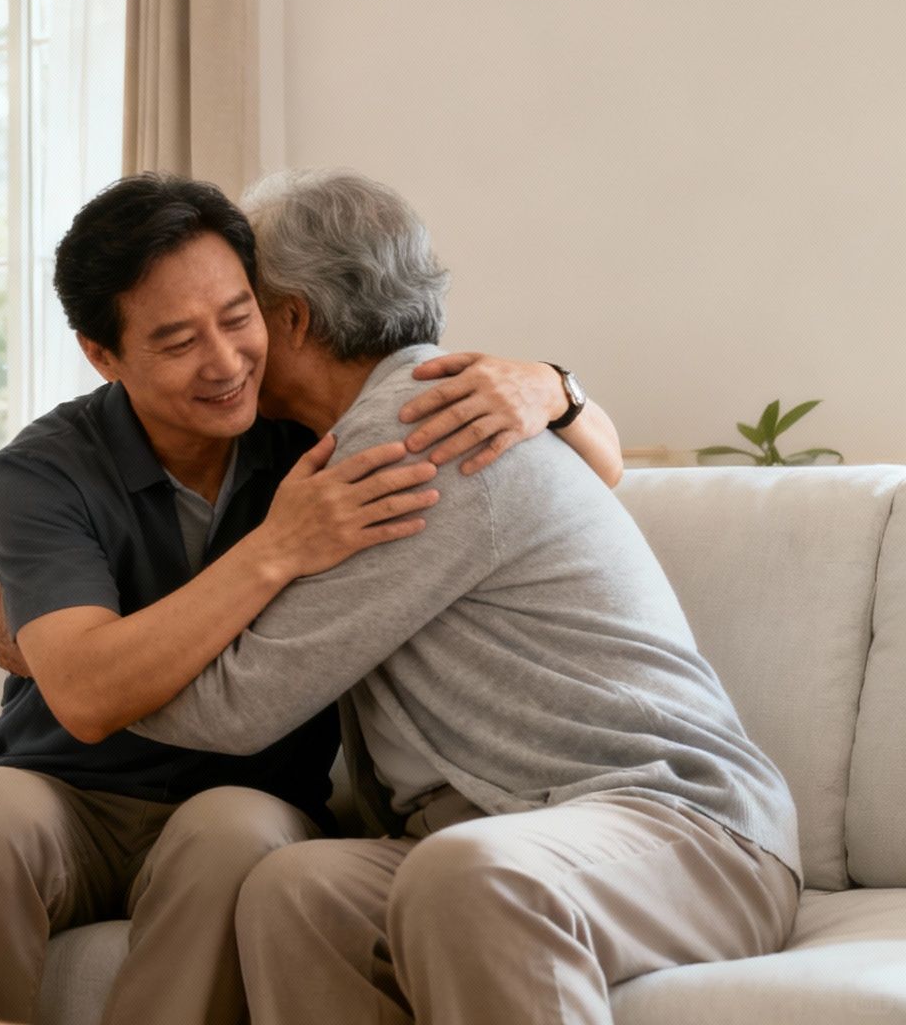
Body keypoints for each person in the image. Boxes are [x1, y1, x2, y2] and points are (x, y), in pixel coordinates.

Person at [0, 173, 623, 1025]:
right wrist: (277, 548)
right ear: (102, 354)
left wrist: (554, 386)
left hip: (248, 795)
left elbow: (591, 474)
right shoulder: (43, 470)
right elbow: (85, 699)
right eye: (176, 341)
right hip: (63, 788)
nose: (225, 363)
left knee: (233, 838)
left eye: (238, 317)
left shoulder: (314, 424)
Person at [121, 169, 798, 1024]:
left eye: (241, 310)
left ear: (290, 318)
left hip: (684, 831)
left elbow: (238, 707)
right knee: (297, 888)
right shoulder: (398, 420)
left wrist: (71, 664)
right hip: (500, 831)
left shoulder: (415, 433)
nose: (229, 349)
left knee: (470, 872)